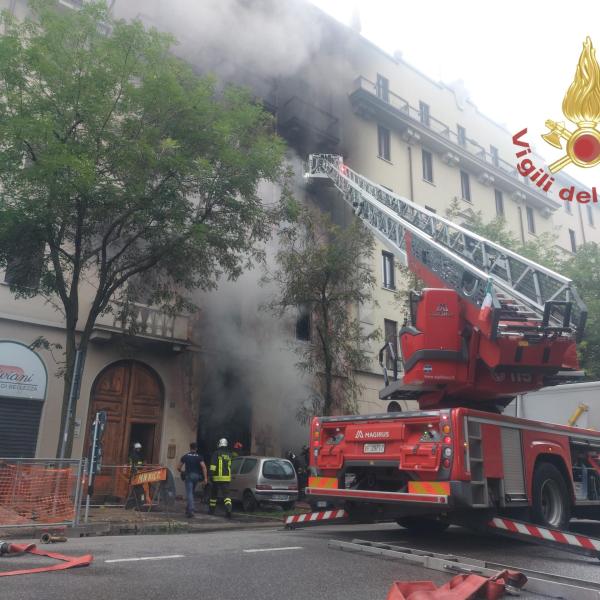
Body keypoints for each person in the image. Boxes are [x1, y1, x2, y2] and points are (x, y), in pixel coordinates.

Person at [178, 442, 208, 518]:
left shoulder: (185, 456)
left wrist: (182, 472)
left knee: (189, 493)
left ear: (190, 448)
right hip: (196, 477)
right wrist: (205, 478)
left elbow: (178, 467)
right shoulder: (199, 457)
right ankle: (188, 509)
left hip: (189, 476)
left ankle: (191, 510)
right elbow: (204, 467)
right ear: (196, 448)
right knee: (191, 492)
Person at [209, 438, 232, 518]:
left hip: (217, 478)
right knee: (227, 496)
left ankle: (211, 511)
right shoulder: (229, 454)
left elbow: (213, 465)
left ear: (220, 444)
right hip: (226, 478)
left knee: (213, 495)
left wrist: (210, 475)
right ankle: (228, 509)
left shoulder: (216, 453)